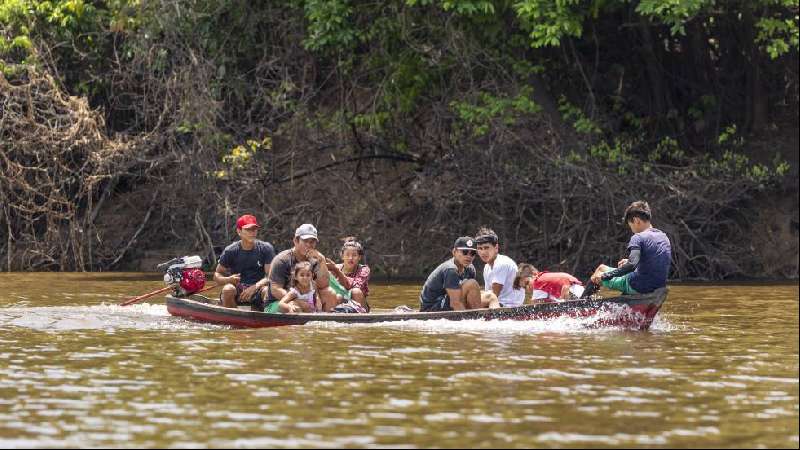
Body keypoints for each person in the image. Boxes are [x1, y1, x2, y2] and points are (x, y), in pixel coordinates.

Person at [584, 200, 672, 297]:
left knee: (599, 272)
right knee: (608, 269)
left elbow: (631, 265)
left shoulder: (638, 238)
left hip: (638, 286)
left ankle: (580, 305)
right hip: (658, 287)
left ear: (636, 221)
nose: (632, 230)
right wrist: (630, 262)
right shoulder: (663, 237)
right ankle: (625, 302)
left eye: (631, 226)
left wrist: (606, 276)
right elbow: (652, 262)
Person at [267, 223, 340, 312]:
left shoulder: (316, 259)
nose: (309, 245)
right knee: (296, 306)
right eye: (305, 241)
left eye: (312, 241)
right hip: (279, 302)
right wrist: (298, 300)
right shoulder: (282, 260)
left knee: (329, 293)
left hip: (308, 299)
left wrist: (321, 260)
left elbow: (323, 285)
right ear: (296, 241)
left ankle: (327, 323)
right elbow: (275, 289)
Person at [213, 214, 275, 310]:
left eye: (254, 229)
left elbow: (270, 276)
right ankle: (234, 317)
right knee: (228, 289)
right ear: (239, 231)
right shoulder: (230, 251)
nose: (252, 233)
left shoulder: (266, 248)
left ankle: (266, 316)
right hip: (238, 289)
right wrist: (228, 279)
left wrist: (255, 287)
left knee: (267, 291)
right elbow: (217, 274)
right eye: (248, 230)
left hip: (258, 288)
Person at [419, 237, 486, 311]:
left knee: (490, 296)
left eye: (472, 253)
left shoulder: (470, 269)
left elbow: (470, 296)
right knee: (472, 284)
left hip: (449, 301)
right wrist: (468, 321)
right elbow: (455, 303)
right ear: (454, 252)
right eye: (465, 252)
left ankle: (495, 316)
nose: (468, 256)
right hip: (432, 307)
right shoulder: (450, 270)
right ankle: (479, 318)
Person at [326, 237, 371, 312]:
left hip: (358, 303)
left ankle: (359, 317)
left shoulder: (364, 270)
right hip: (340, 300)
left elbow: (354, 286)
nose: (350, 258)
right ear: (342, 256)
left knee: (355, 292)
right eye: (347, 255)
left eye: (354, 255)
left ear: (359, 257)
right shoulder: (335, 267)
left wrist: (337, 272)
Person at [474, 227, 515, 308]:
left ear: (496, 248)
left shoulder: (501, 263)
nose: (483, 252)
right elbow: (487, 293)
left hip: (508, 308)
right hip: (497, 305)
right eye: (480, 248)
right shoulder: (487, 267)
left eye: (486, 248)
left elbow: (493, 295)